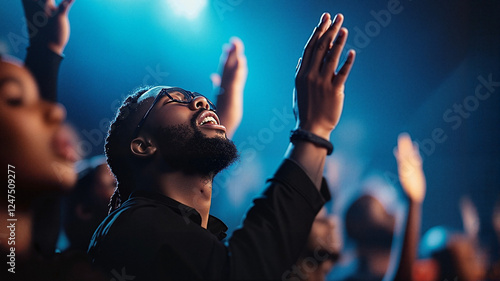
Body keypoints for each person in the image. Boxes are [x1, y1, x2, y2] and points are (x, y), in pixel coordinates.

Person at [88, 12, 355, 280]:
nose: (201, 100)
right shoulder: (132, 225)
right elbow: (240, 272)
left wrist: (218, 121)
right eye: (174, 100)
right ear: (143, 146)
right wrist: (312, 129)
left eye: (197, 97)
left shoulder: (186, 232)